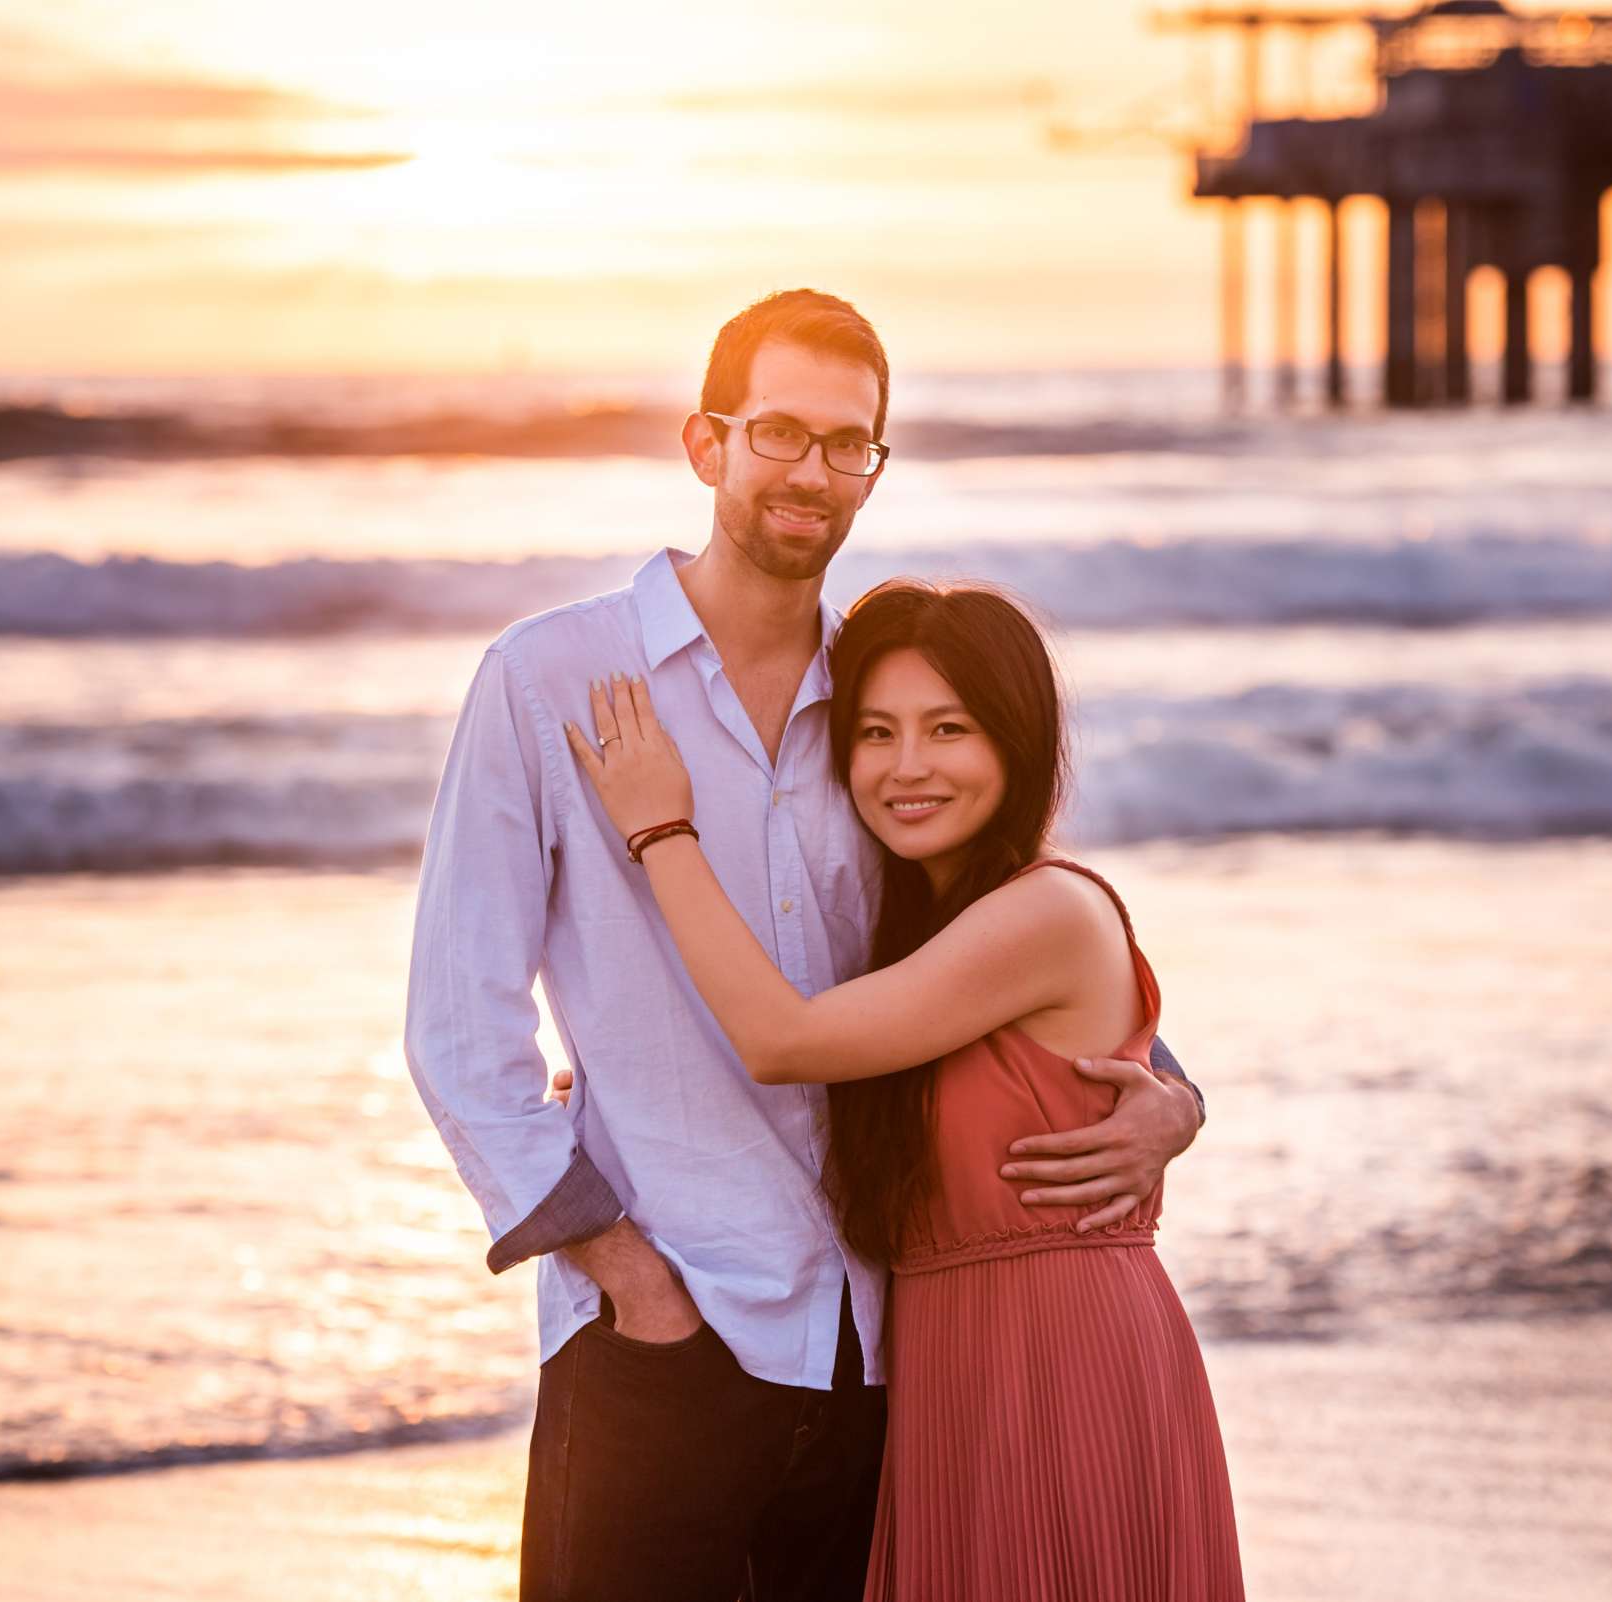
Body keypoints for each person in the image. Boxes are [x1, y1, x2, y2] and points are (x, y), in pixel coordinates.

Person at [402, 288, 1206, 1601]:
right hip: (660, 1333)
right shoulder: (553, 679)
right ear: (706, 443)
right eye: (779, 432)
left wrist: (1173, 1093)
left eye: (850, 445)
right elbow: (457, 1023)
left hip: (881, 1351)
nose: (812, 472)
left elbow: (1003, 942)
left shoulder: (886, 709)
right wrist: (622, 1273)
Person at [564, 580, 1244, 1600]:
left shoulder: (1046, 911)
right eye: (875, 732)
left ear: (1015, 742)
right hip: (949, 1374)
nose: (907, 766)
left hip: (1066, 1366)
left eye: (949, 729)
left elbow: (780, 1039)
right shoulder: (911, 928)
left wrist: (662, 833)